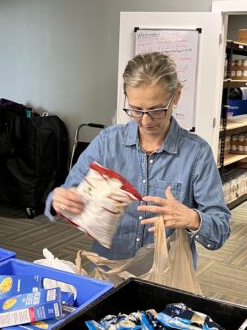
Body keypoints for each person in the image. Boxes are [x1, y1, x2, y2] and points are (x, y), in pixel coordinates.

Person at [44, 52, 231, 269]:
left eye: (156, 110)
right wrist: (59, 201)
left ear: (176, 96)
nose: (145, 120)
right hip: (109, 273)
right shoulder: (107, 143)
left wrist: (192, 218)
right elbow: (65, 196)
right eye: (135, 109)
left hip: (167, 280)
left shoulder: (197, 154)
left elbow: (220, 231)